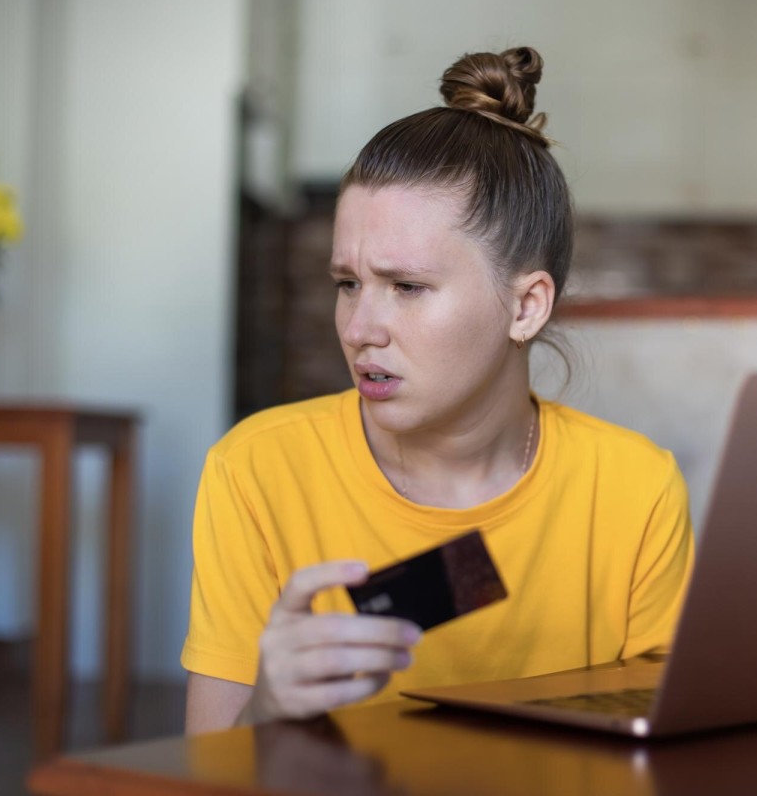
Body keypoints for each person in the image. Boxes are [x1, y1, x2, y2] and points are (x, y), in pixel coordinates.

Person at [182, 47, 694, 733]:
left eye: (408, 287)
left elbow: (664, 753)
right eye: (348, 284)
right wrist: (271, 704)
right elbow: (205, 765)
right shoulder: (256, 471)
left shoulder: (636, 490)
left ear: (526, 308)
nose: (361, 327)